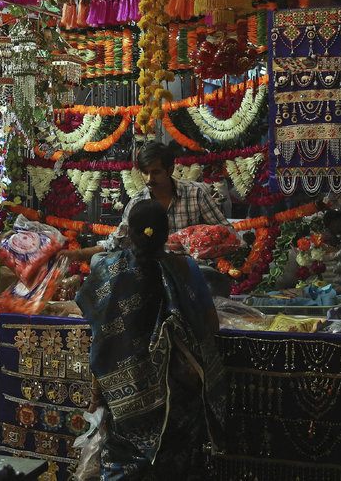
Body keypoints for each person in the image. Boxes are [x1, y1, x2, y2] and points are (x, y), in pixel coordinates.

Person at [76, 200, 225, 480]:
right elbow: (211, 325)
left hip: (125, 400)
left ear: (128, 232)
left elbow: (97, 321)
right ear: (166, 233)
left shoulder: (109, 271)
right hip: (178, 398)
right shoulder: (185, 268)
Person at [61, 141, 234, 264]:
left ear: (170, 170)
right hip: (152, 276)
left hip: (195, 272)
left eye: (156, 172)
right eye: (145, 172)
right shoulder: (138, 203)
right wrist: (76, 254)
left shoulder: (195, 194)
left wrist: (197, 243)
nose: (149, 179)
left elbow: (227, 233)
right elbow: (115, 243)